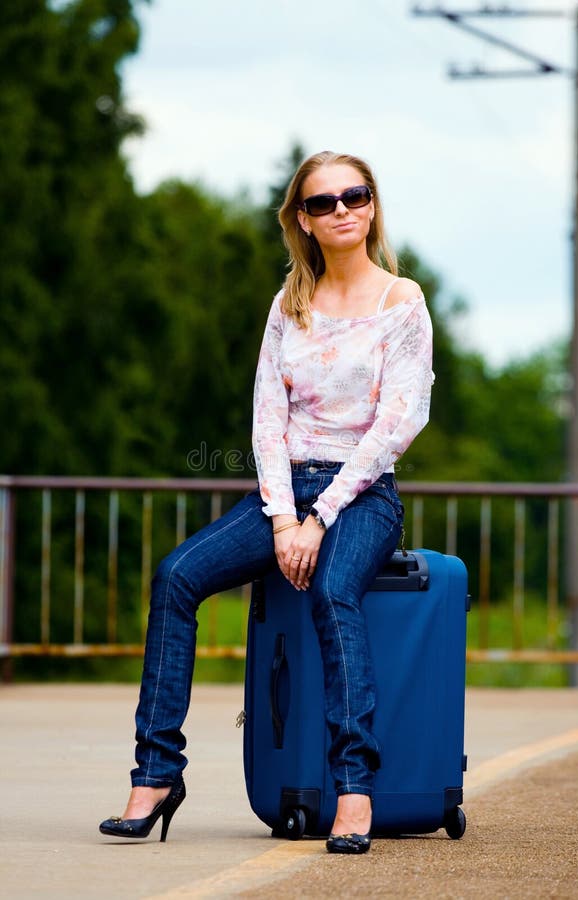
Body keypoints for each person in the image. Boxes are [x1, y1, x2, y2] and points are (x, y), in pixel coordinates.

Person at [99, 150, 433, 855]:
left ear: (371, 206)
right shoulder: (291, 304)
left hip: (361, 495)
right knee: (176, 576)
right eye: (323, 203)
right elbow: (266, 421)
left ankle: (353, 789)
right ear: (303, 222)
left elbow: (398, 424)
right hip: (284, 495)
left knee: (333, 593)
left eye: (355, 195)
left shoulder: (400, 300)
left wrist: (319, 518)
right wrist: (283, 517)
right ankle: (156, 774)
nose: (341, 209)